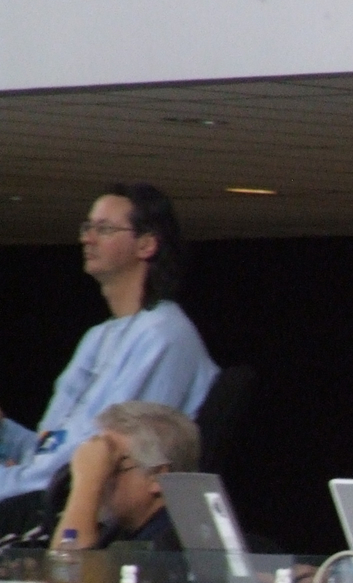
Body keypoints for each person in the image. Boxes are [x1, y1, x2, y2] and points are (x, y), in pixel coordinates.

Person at [0, 184, 218, 539]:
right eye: (87, 227)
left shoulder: (163, 336)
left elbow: (90, 460)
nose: (87, 238)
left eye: (104, 229)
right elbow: (51, 446)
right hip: (42, 496)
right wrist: (6, 434)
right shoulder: (99, 336)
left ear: (146, 245)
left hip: (81, 512)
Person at [52, 401, 199, 551]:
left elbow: (68, 564)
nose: (98, 475)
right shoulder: (119, 530)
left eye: (108, 465)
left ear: (156, 476)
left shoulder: (171, 543)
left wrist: (86, 484)